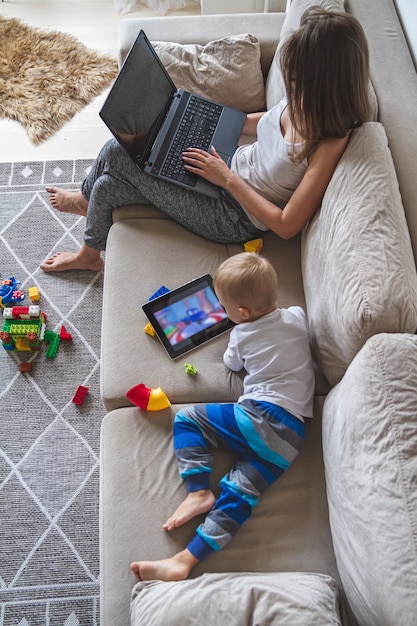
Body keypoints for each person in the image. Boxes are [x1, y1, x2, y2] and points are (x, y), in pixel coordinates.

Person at [40, 7, 372, 273]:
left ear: (326, 83)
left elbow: (286, 225)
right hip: (222, 165)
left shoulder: (329, 143)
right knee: (108, 188)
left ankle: (86, 238)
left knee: (116, 152)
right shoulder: (305, 102)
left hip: (232, 215)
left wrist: (225, 178)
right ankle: (89, 218)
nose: (291, 84)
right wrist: (209, 117)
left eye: (298, 79)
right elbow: (265, 123)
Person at [130, 251, 315, 582]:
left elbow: (232, 364)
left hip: (264, 416)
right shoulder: (297, 316)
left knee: (187, 419)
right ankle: (185, 560)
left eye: (224, 308)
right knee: (239, 496)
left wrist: (236, 336)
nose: (220, 313)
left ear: (242, 313)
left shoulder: (241, 334)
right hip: (292, 438)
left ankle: (199, 491)